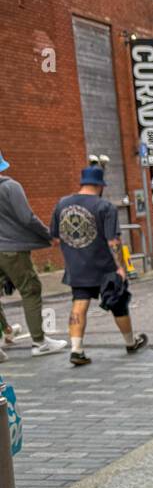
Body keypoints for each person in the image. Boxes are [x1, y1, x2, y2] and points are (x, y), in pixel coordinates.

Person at [49, 166, 147, 367]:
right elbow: (113, 242)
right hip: (105, 267)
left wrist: (74, 255)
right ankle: (130, 342)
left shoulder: (62, 204)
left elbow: (56, 238)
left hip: (77, 266)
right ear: (100, 185)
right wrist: (121, 267)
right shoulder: (105, 207)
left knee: (79, 303)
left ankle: (76, 349)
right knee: (118, 303)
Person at [0, 150, 68, 360]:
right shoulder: (11, 187)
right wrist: (49, 235)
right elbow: (27, 218)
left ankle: (6, 332)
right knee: (30, 290)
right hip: (12, 250)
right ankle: (39, 342)